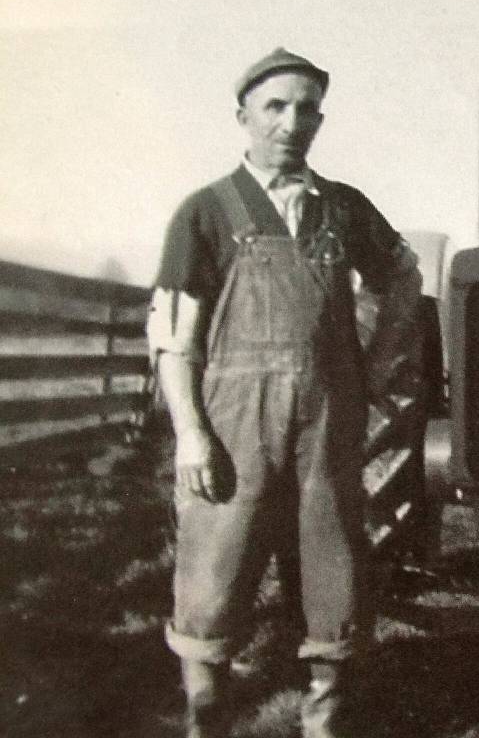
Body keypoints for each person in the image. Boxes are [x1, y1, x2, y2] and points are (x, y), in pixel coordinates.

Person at [147, 47, 422, 738]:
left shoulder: (343, 207)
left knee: (333, 572)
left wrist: (375, 365)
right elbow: (174, 340)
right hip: (233, 428)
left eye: (306, 109)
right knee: (214, 573)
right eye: (275, 106)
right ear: (243, 116)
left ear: (320, 120)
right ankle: (206, 721)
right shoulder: (205, 213)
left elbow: (404, 277)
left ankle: (322, 724)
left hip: (328, 424)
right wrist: (191, 434)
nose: (290, 122)